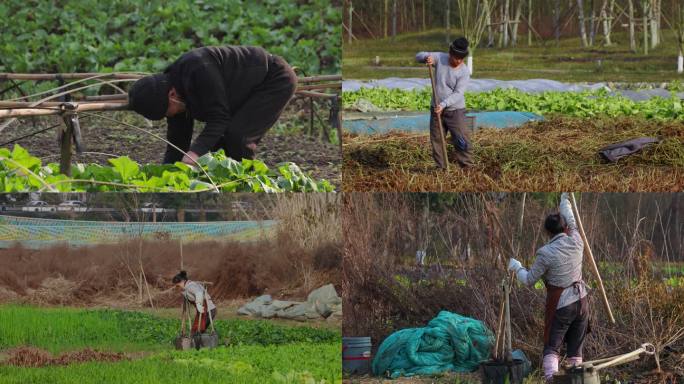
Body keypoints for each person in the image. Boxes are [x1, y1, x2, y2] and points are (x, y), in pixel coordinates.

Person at [128, 45, 297, 165]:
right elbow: (178, 140)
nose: (170, 117)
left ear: (171, 95)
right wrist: (168, 170)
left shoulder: (198, 69)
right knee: (215, 152)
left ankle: (246, 189)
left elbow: (219, 119)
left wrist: (193, 154)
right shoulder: (173, 89)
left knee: (238, 138)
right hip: (242, 92)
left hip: (274, 80)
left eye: (167, 112)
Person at [507, 193, 590, 382]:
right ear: (565, 228)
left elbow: (529, 280)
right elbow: (572, 220)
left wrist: (516, 267)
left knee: (552, 348)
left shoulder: (546, 253)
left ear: (548, 232)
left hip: (562, 304)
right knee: (575, 350)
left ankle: (551, 380)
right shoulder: (577, 240)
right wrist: (564, 201)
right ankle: (575, 381)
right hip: (582, 302)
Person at [415, 37, 472, 169]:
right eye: (455, 57)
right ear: (450, 53)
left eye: (461, 59)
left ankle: (467, 167)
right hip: (436, 109)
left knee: (461, 138)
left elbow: (458, 93)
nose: (458, 61)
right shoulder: (441, 58)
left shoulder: (464, 72)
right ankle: (441, 168)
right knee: (437, 139)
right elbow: (418, 55)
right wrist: (426, 58)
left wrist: (443, 104)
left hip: (455, 111)